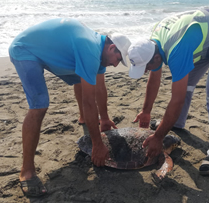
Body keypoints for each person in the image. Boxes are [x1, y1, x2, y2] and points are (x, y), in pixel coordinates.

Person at [8, 18, 131, 197]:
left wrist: (104, 119)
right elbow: (90, 101)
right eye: (118, 59)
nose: (115, 65)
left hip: (47, 50)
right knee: (39, 105)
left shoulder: (99, 51)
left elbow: (100, 88)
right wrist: (97, 144)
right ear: (111, 48)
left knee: (83, 78)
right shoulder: (90, 49)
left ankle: (83, 117)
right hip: (24, 50)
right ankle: (26, 171)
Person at [127, 9, 209, 176]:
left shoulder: (176, 50)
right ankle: (177, 123)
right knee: (188, 83)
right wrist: (146, 111)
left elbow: (178, 99)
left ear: (155, 58)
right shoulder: (153, 44)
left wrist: (159, 137)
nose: (145, 71)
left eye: (145, 67)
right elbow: (154, 78)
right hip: (204, 40)